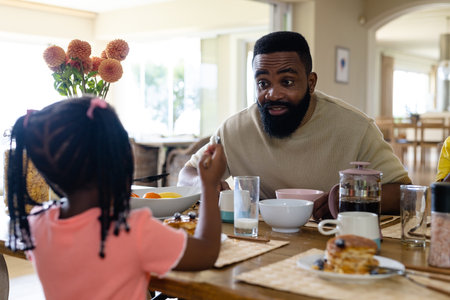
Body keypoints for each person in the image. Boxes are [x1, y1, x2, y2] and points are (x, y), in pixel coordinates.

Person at [6, 96, 226, 300]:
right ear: (118, 161)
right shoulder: (132, 230)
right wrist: (208, 186)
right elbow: (205, 252)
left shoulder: (36, 224)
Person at [178, 31, 411, 220]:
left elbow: (404, 194)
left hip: (330, 244)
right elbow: (187, 173)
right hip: (258, 242)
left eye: (287, 82)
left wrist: (352, 199)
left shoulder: (357, 128)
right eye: (263, 83)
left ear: (311, 83)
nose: (273, 93)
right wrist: (205, 184)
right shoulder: (233, 130)